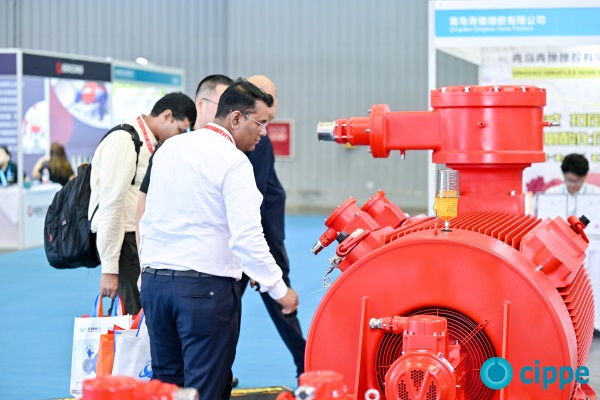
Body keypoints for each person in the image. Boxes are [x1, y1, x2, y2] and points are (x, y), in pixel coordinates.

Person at [138, 78, 299, 400]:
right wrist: (280, 290)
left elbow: (146, 218)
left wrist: (146, 273)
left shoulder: (169, 148)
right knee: (205, 389)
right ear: (236, 118)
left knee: (166, 387)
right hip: (203, 290)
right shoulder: (234, 161)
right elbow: (247, 236)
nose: (264, 132)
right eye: (260, 123)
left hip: (155, 285)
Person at [89, 92, 195, 315]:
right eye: (180, 130)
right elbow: (111, 204)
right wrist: (109, 269)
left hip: (137, 243)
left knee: (143, 317)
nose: (180, 137)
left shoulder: (149, 144)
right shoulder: (124, 141)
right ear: (166, 116)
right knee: (132, 319)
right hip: (124, 245)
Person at [240, 75, 306, 378]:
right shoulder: (259, 141)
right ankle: (306, 364)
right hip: (260, 238)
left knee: (227, 309)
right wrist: (257, 257)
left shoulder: (253, 138)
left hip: (255, 237)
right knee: (283, 303)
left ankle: (217, 369)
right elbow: (253, 197)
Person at [135, 74, 234, 248]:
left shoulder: (232, 151)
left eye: (232, 108)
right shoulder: (169, 149)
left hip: (215, 256)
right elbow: (143, 204)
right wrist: (142, 256)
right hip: (171, 254)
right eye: (221, 106)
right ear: (201, 104)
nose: (227, 113)